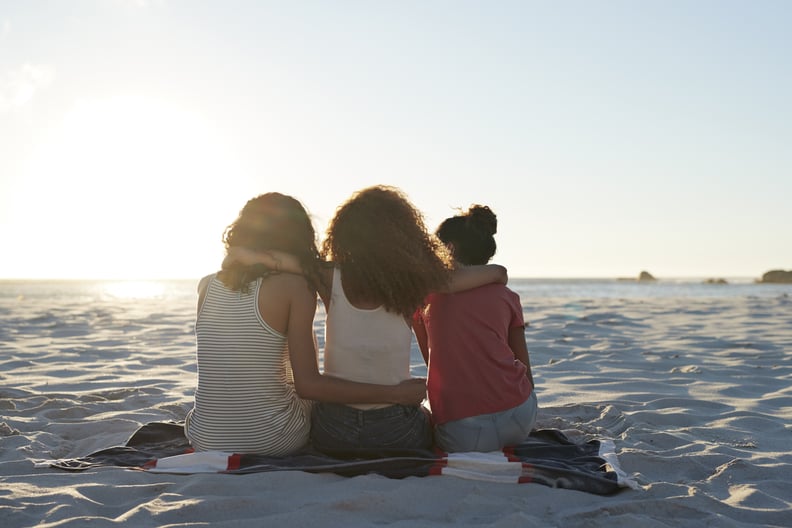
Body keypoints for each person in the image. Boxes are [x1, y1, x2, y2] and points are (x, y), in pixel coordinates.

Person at [223, 185, 507, 456]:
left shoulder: (326, 275)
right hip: (396, 432)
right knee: (425, 417)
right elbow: (474, 277)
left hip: (333, 431)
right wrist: (498, 272)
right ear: (405, 235)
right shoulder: (415, 281)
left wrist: (243, 255)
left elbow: (281, 262)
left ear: (345, 233)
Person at [184, 192, 427, 456]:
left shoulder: (206, 285)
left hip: (204, 437)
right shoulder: (296, 287)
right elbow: (308, 386)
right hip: (274, 440)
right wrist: (395, 394)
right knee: (304, 386)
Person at [413, 204, 537, 452]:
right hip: (519, 419)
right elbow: (524, 365)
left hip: (462, 431)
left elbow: (433, 366)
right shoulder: (506, 295)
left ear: (448, 248)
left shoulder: (424, 300)